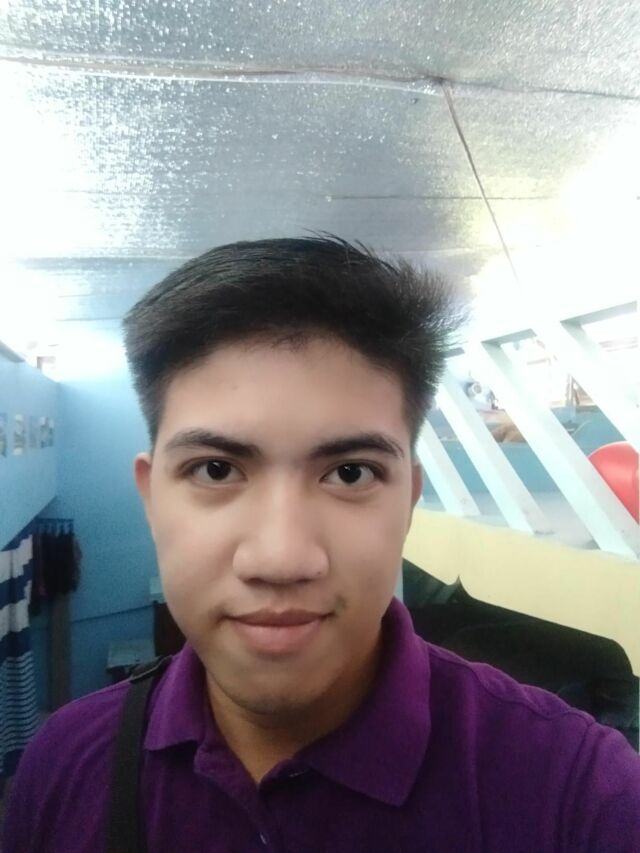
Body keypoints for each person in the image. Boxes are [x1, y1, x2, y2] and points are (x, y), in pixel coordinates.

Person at [3, 236, 640, 852]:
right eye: (216, 470)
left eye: (351, 473)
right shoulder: (66, 764)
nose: (281, 559)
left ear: (408, 501)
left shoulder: (578, 794)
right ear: (151, 497)